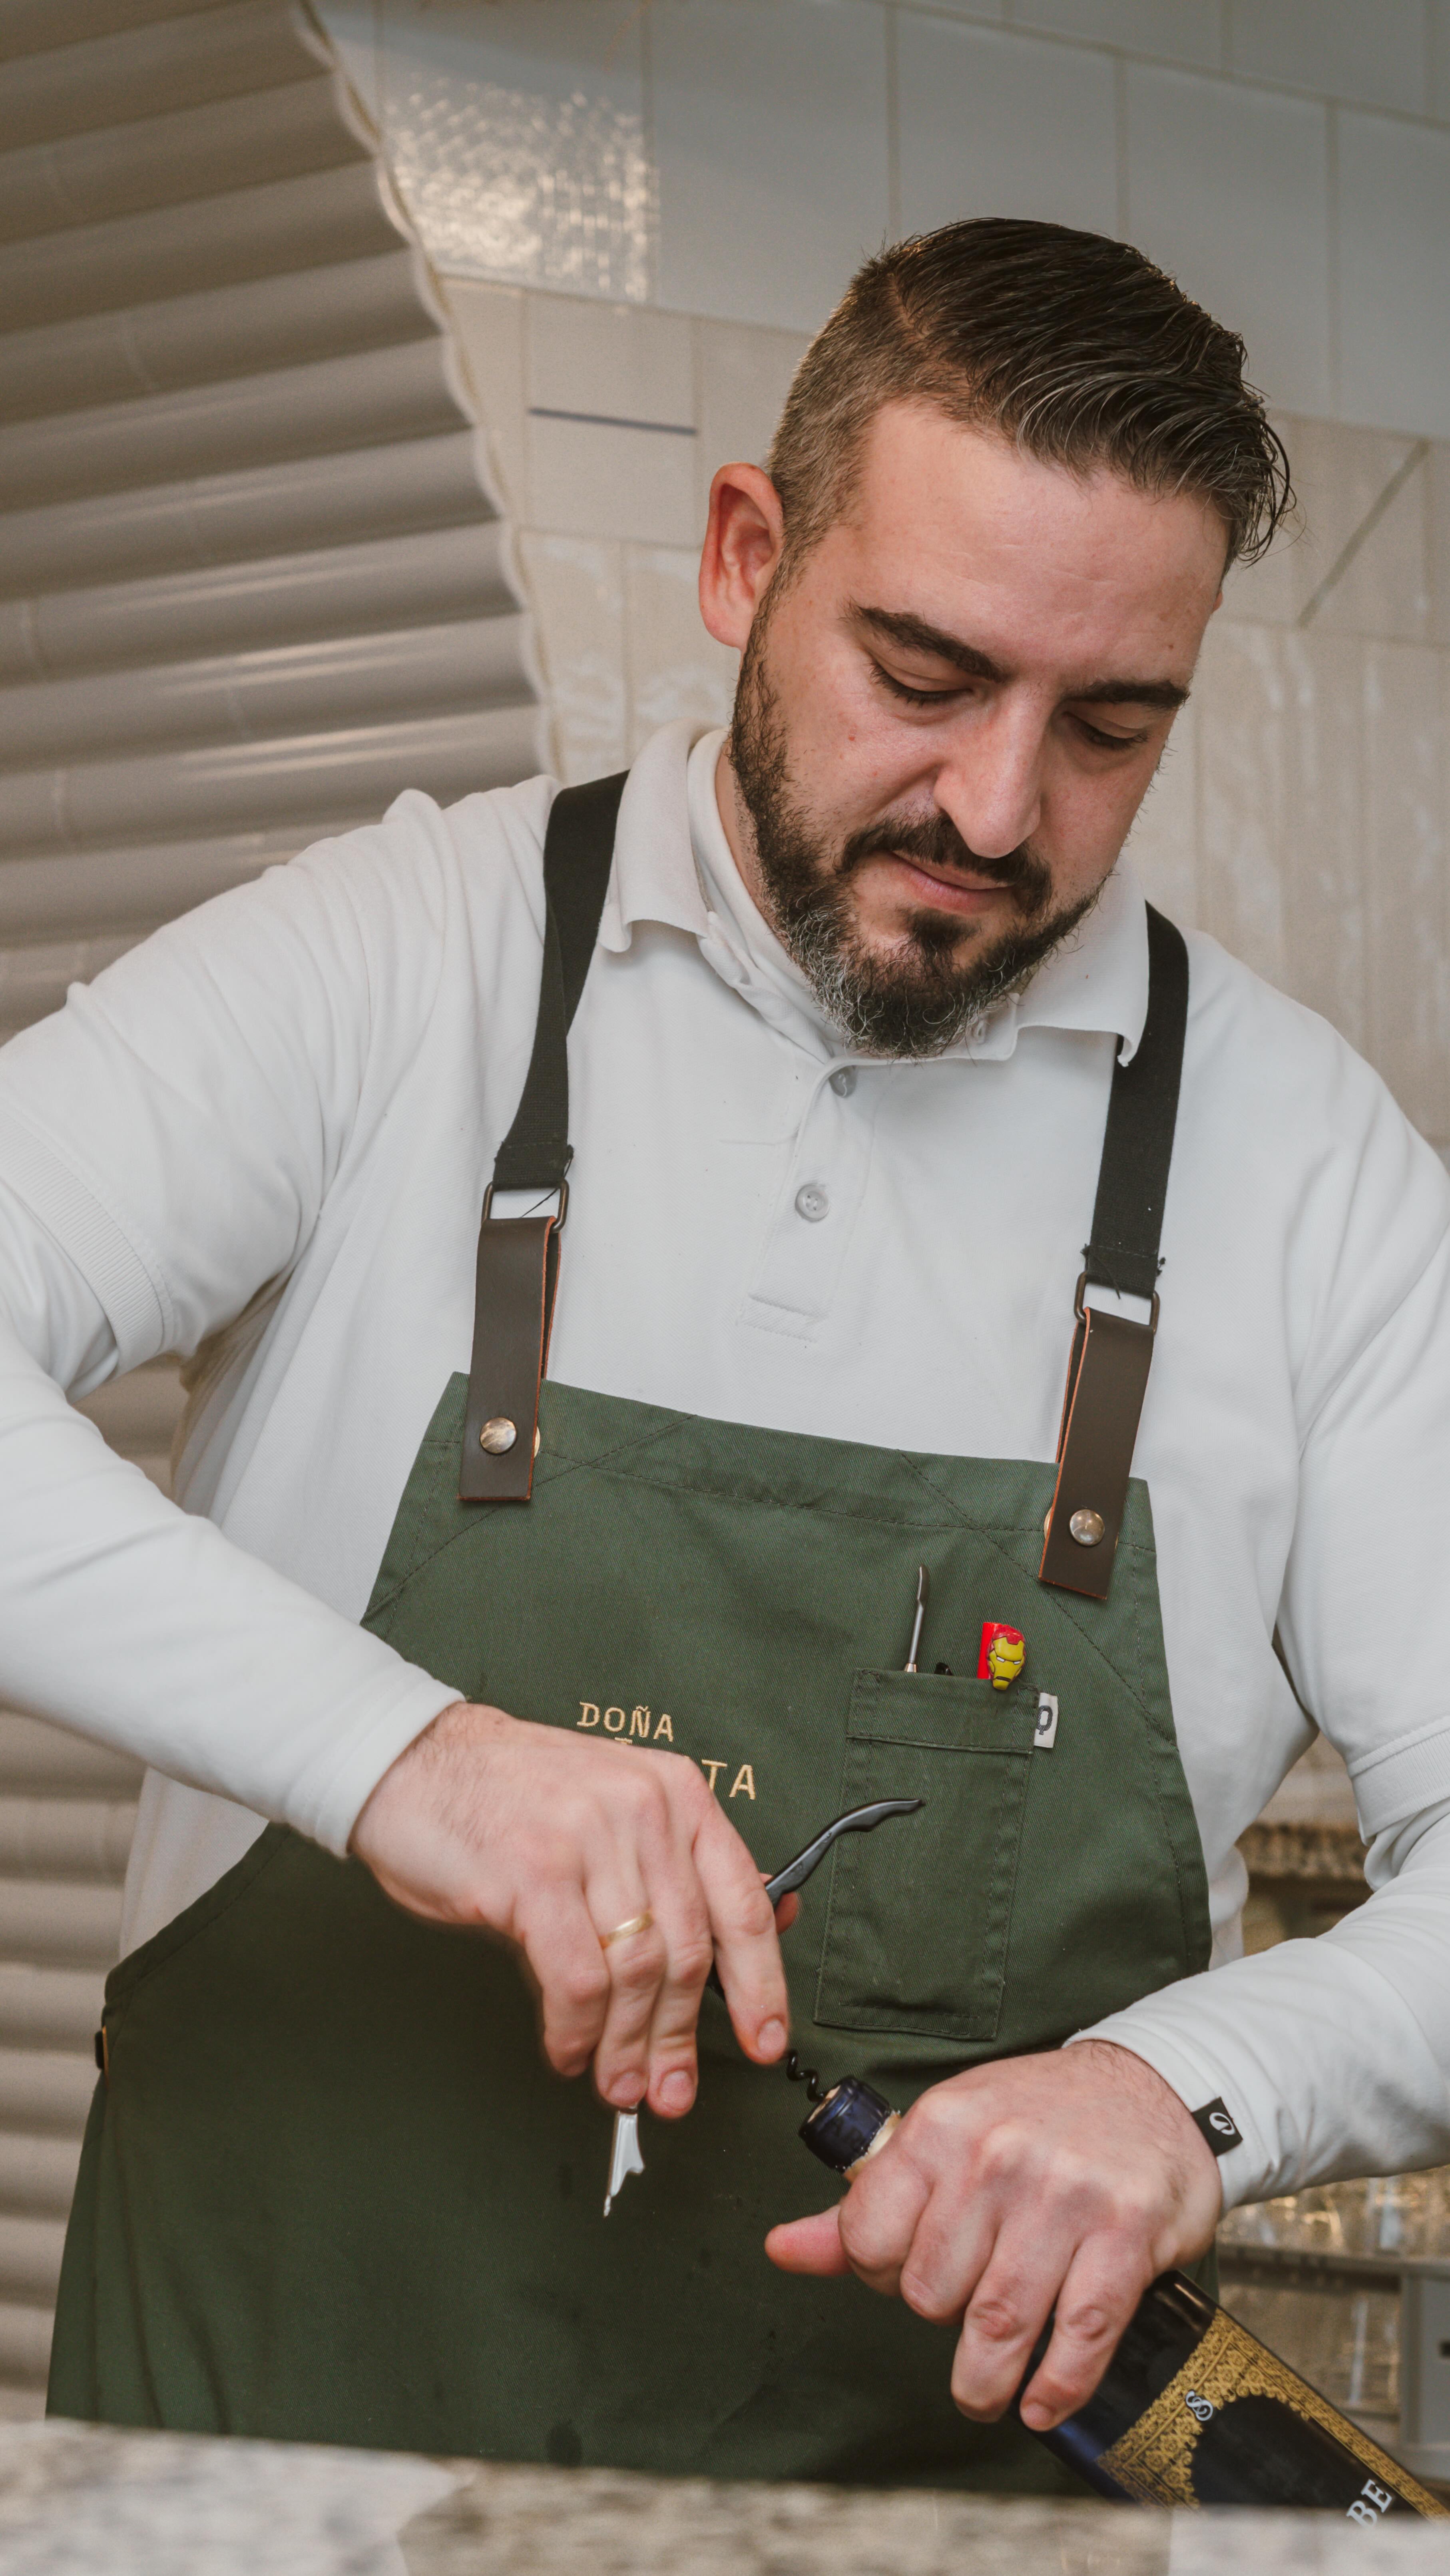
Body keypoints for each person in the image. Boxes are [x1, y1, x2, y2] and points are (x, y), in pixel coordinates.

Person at [8, 217, 1449, 2487]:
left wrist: (1175, 2091)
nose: (996, 808)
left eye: (1108, 726)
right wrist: (416, 1760)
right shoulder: (415, 965)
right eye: (924, 668)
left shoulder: (1308, 1171)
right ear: (744, 556)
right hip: (244, 2510)